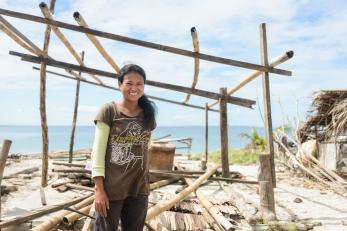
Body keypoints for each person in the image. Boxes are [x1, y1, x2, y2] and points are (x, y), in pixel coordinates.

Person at [91, 64, 156, 231]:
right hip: (110, 189)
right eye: (129, 83)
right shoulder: (109, 111)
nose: (134, 88)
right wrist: (99, 190)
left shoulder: (147, 114)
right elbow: (97, 153)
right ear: (119, 85)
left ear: (144, 86)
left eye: (139, 83)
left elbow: (146, 148)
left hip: (139, 189)